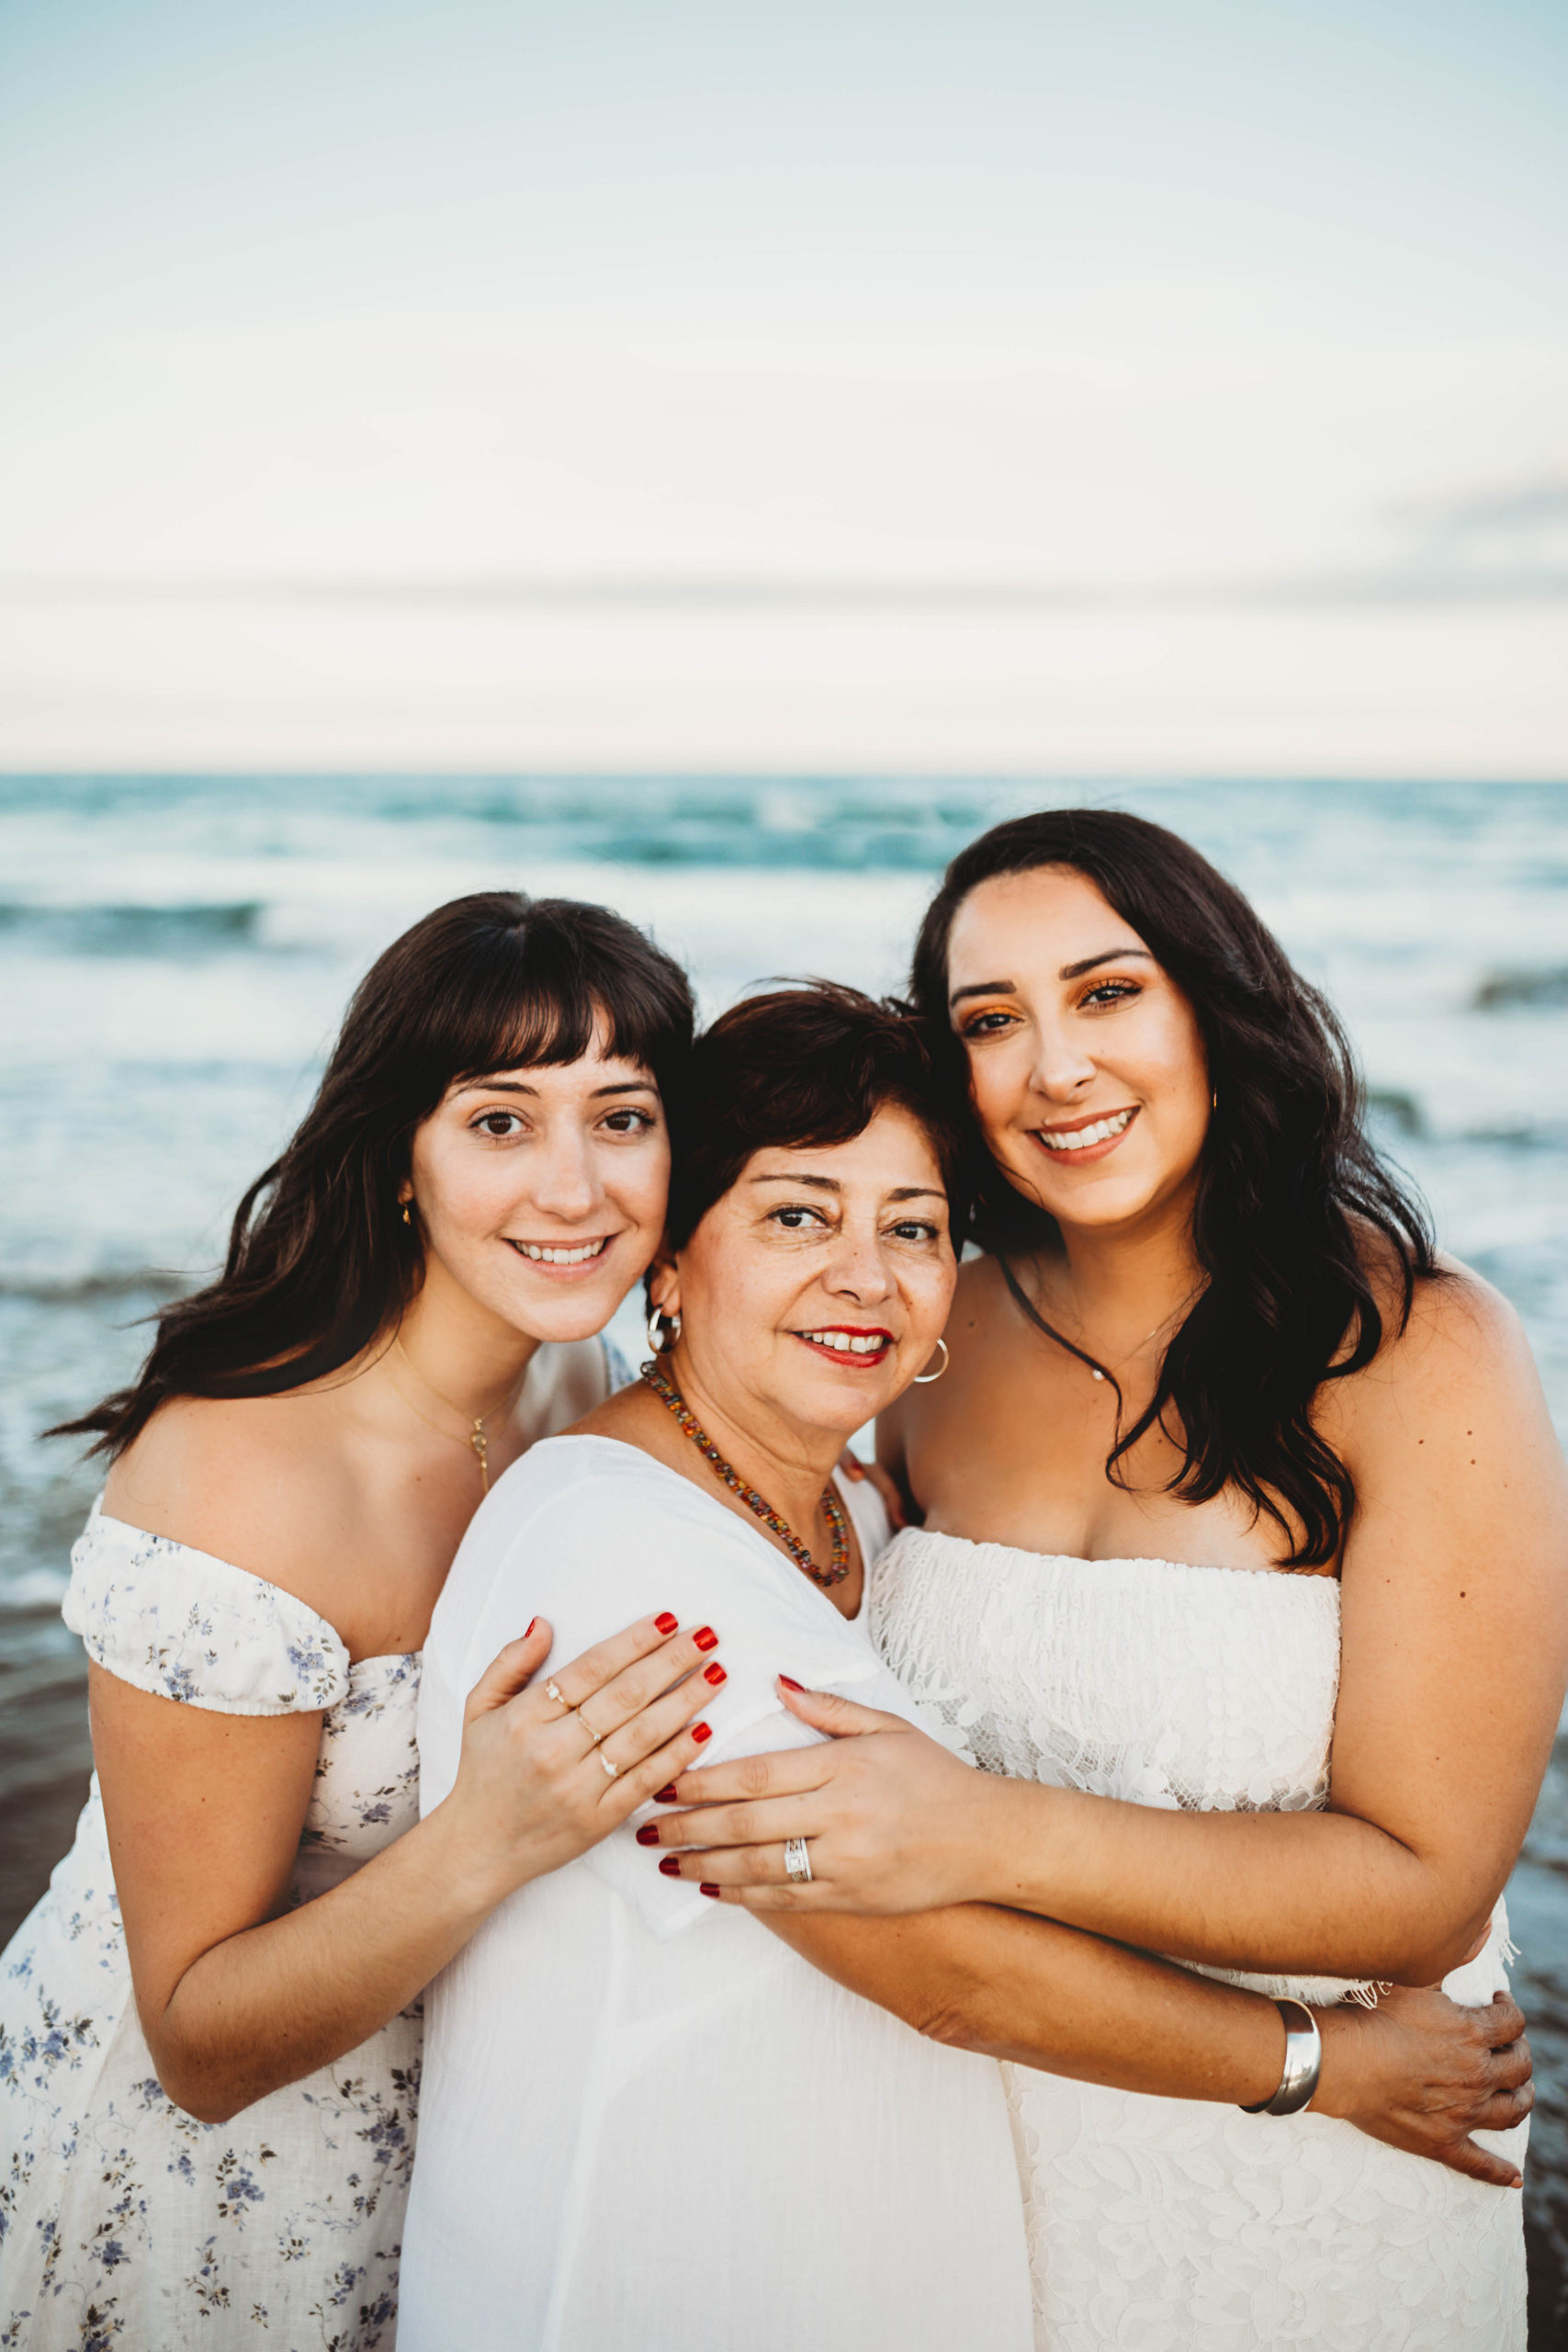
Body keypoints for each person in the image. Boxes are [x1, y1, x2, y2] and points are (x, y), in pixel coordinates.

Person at [402, 980, 1532, 2352]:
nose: (865, 1278)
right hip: (671, 2255)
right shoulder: (614, 1546)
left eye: (915, 1228)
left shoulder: (865, 1515)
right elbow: (937, 1967)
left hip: (893, 2239)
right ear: (669, 1263)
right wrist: (1324, 2065)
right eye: (797, 1215)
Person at [641, 814, 1568, 2351]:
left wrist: (982, 1828)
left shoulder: (1420, 1351)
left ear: (1215, 1006)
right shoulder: (924, 1327)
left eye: (1108, 993)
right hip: (962, 2140)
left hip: (1319, 2167)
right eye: (990, 1023)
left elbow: (1423, 1891)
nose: (1055, 1066)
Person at [0, 891, 728, 2352]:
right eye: (502, 1121)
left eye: (625, 1117)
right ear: (402, 1154)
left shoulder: (581, 1396)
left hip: (462, 2147)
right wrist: (491, 1838)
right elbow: (197, 2041)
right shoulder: (242, 1480)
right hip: (211, 2193)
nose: (576, 1188)